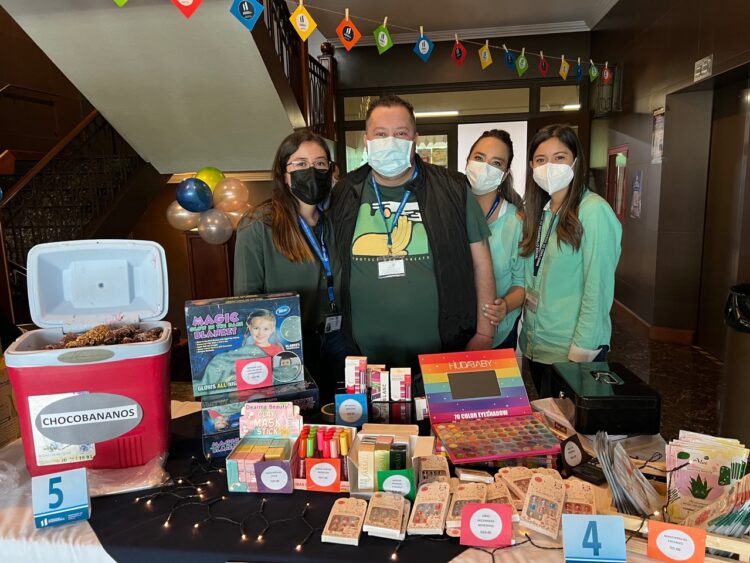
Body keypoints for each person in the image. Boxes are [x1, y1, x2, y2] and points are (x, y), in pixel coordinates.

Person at [330, 94, 497, 372]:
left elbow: (482, 263)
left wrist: (484, 332)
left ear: (415, 139)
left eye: (400, 133)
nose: (390, 141)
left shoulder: (453, 189)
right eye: (381, 134)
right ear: (367, 141)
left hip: (442, 352)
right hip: (363, 360)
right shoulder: (344, 192)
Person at [234, 130, 345, 401]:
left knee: (340, 415)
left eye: (320, 163)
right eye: (301, 163)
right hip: (288, 348)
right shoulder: (258, 224)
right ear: (284, 173)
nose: (312, 170)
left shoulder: (336, 220)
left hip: (339, 341)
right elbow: (246, 300)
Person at [519, 124, 622, 397]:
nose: (549, 167)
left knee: (573, 423)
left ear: (576, 161)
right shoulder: (540, 212)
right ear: (531, 166)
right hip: (537, 345)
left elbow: (597, 288)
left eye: (559, 158)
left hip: (573, 351)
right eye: (541, 160)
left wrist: (582, 352)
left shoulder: (593, 211)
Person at [465, 129, 526, 350]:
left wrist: (505, 305)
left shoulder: (516, 221)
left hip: (497, 334)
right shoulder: (450, 210)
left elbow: (523, 283)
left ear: (505, 173)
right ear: (468, 161)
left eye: (496, 163)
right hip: (453, 331)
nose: (485, 168)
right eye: (479, 158)